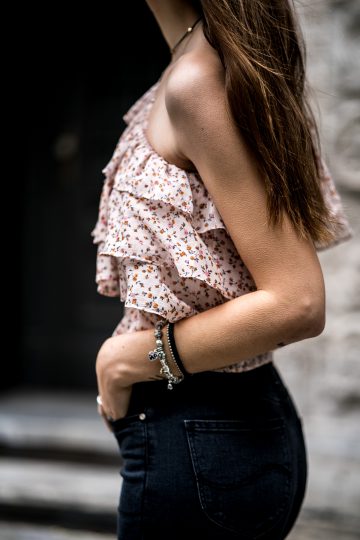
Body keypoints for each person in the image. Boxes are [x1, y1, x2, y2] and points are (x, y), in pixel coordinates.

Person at [91, 1, 352, 538]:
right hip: (213, 438)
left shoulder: (199, 82)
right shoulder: (198, 56)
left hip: (203, 442)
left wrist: (124, 359)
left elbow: (297, 301)